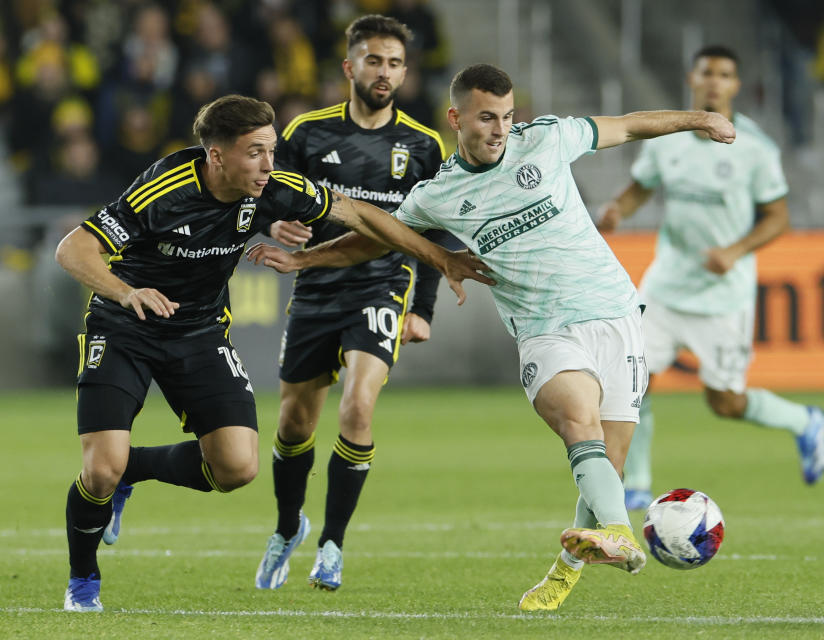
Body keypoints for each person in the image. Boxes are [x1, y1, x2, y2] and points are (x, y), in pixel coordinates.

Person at [247, 63, 735, 611]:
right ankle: (621, 534)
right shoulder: (440, 194)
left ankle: (569, 566)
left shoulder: (547, 139)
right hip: (543, 328)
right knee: (578, 422)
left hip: (615, 313)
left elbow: (628, 124)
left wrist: (701, 118)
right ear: (456, 118)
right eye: (486, 118)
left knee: (608, 466)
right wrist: (304, 260)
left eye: (506, 116)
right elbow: (375, 241)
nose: (500, 129)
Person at [54, 94, 490, 612]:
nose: (269, 165)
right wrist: (126, 293)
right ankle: (83, 581)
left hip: (198, 331)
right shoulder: (164, 189)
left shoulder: (276, 187)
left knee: (237, 468)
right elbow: (73, 249)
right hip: (126, 327)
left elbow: (361, 216)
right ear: (216, 156)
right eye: (255, 152)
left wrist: (439, 257)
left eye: (272, 149)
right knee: (99, 469)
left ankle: (134, 470)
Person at [254, 14, 455, 592]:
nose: (384, 72)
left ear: (405, 71)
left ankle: (332, 545)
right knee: (294, 423)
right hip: (315, 288)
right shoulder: (308, 133)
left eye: (394, 63)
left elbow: (435, 233)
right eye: (373, 61)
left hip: (381, 287)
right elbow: (270, 193)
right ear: (350, 67)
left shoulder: (422, 145)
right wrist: (280, 225)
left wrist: (425, 309)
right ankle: (288, 527)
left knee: (358, 408)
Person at [595, 45, 824, 511]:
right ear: (693, 79)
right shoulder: (669, 138)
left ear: (736, 85)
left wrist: (735, 251)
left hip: (724, 296)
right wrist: (617, 209)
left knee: (724, 402)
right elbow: (643, 186)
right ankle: (638, 482)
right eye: (707, 73)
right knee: (631, 381)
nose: (714, 82)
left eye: (725, 74)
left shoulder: (756, 149)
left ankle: (805, 421)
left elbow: (778, 218)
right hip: (665, 286)